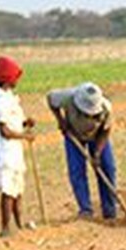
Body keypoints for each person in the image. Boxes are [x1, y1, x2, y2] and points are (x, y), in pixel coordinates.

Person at [47, 82, 116, 220]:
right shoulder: (67, 97)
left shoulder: (106, 108)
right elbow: (50, 99)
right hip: (74, 135)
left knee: (108, 168)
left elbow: (106, 131)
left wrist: (97, 153)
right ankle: (85, 210)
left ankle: (109, 210)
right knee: (77, 171)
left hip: (97, 137)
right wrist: (61, 121)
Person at [0, 56, 35, 237]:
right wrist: (24, 136)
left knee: (17, 188)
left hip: (15, 149)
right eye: (15, 77)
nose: (17, 80)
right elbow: (4, 131)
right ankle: (5, 228)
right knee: (8, 190)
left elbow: (14, 124)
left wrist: (25, 123)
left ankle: (19, 224)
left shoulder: (10, 98)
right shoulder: (0, 101)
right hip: (5, 150)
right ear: (7, 79)